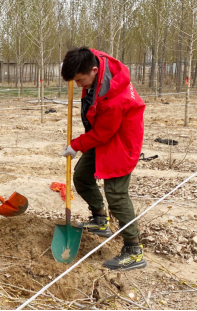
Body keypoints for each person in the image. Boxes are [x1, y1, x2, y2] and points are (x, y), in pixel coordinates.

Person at [60, 47, 147, 271]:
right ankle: (100, 220)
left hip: (121, 141)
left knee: (116, 194)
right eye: (75, 81)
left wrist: (77, 145)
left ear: (94, 71)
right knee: (81, 177)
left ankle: (133, 251)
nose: (78, 85)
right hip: (103, 134)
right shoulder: (94, 63)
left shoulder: (112, 98)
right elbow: (87, 51)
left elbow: (104, 133)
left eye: (80, 80)